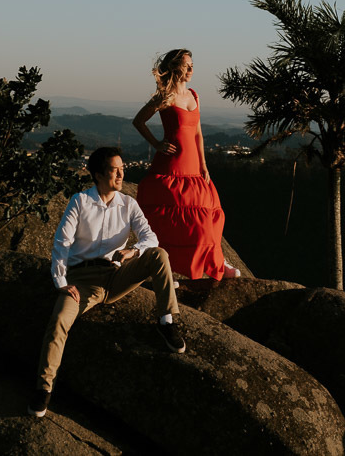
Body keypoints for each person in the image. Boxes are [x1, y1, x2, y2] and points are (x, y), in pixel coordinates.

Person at [27, 146, 185, 419]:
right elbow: (62, 242)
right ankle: (44, 388)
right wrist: (61, 281)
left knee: (158, 254)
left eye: (122, 168)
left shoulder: (128, 204)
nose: (121, 174)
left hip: (116, 275)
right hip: (82, 280)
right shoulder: (80, 202)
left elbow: (150, 238)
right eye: (115, 170)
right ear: (99, 175)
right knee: (59, 320)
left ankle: (166, 321)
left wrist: (133, 251)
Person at [133, 49, 240, 282]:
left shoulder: (194, 95)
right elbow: (138, 121)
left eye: (192, 65)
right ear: (174, 67)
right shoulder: (165, 96)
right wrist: (156, 144)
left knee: (210, 217)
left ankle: (217, 262)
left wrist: (204, 165)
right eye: (186, 65)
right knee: (170, 221)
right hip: (171, 166)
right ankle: (165, 269)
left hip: (194, 167)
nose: (191, 69)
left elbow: (198, 133)